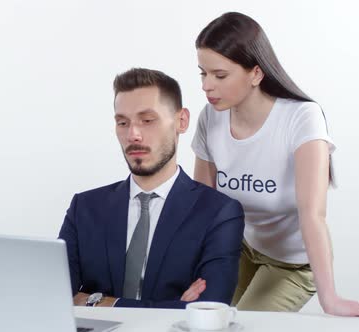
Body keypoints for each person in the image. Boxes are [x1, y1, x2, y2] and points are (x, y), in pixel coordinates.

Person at [191, 12, 359, 317]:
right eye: (202, 73)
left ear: (255, 74)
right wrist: (192, 273)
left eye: (220, 75)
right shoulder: (210, 118)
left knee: (245, 325)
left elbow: (313, 216)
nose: (207, 85)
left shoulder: (301, 118)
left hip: (292, 263)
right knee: (203, 317)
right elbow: (203, 207)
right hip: (240, 248)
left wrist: (330, 299)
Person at [58, 68, 245, 308]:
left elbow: (209, 309)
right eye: (122, 122)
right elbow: (54, 296)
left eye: (147, 120)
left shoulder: (219, 213)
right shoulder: (84, 208)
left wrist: (100, 302)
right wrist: (173, 306)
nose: (133, 134)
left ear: (181, 121)